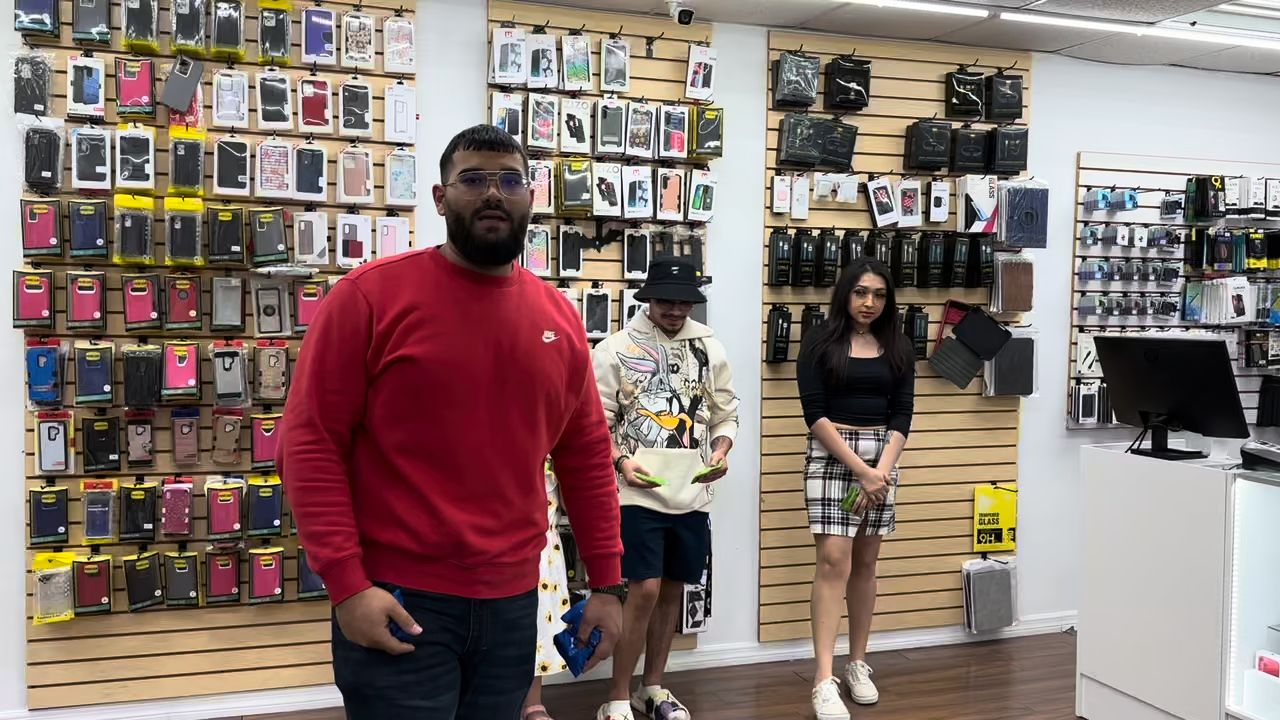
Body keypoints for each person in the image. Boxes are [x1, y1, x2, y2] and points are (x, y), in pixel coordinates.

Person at [279, 124, 627, 720]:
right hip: (399, 597)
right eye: (473, 179)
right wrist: (347, 584)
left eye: (510, 181)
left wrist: (608, 584)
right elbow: (310, 445)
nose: (493, 193)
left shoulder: (559, 317)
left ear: (531, 197)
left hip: (513, 602)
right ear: (441, 198)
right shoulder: (368, 299)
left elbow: (587, 455)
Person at [591, 258, 740, 720]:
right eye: (665, 301)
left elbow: (726, 413)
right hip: (637, 490)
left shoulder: (710, 347)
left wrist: (720, 451)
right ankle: (618, 694)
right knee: (644, 589)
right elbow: (595, 422)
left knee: (673, 588)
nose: (675, 310)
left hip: (691, 490)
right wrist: (620, 461)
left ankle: (651, 686)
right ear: (648, 299)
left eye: (684, 302)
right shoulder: (614, 349)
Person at [796, 259, 915, 720]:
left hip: (882, 459)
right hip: (833, 455)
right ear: (845, 293)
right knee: (833, 561)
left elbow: (902, 413)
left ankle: (857, 664)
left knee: (866, 563)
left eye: (879, 295)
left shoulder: (898, 345)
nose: (870, 303)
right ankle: (823, 679)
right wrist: (860, 470)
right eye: (861, 292)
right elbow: (814, 413)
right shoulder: (818, 341)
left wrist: (880, 470)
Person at [523, 462, 572, 720]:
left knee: (538, 627)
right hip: (495, 533)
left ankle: (533, 702)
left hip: (542, 543)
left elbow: (569, 501)